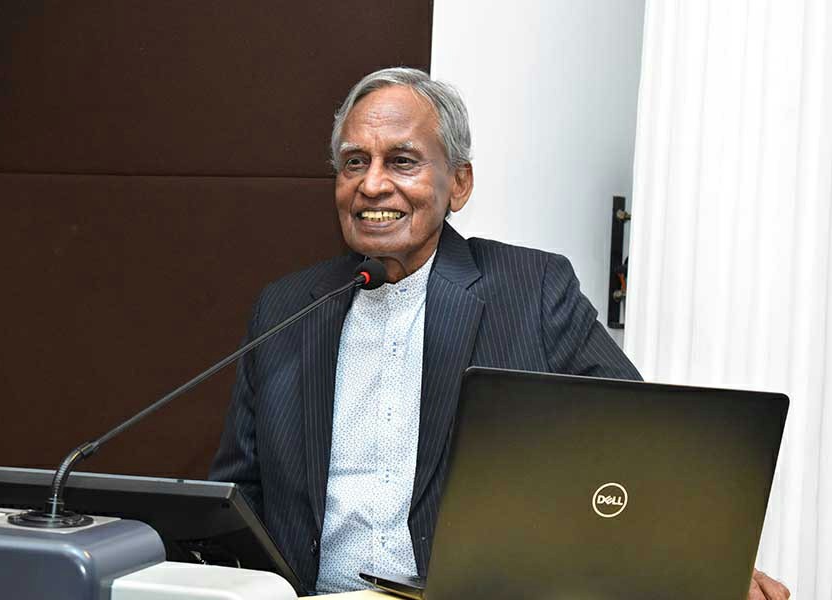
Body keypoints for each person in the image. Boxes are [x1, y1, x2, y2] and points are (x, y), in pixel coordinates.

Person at [210, 67, 790, 599]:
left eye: (403, 161)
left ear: (458, 184)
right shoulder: (286, 308)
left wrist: (706, 563)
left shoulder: (531, 290)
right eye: (354, 162)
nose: (372, 185)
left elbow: (640, 451)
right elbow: (238, 497)